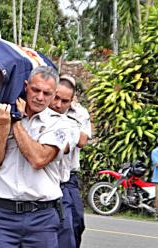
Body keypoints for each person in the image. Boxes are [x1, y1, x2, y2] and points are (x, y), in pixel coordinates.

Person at [0, 66, 71, 247]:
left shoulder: (60, 124)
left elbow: (38, 159)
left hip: (42, 218)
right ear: (25, 86)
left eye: (47, 93)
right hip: (4, 216)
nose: (39, 97)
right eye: (35, 90)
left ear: (54, 95)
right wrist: (3, 125)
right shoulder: (1, 117)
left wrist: (16, 122)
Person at [49, 75, 81, 248]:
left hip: (61, 187)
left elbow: (66, 145)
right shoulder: (26, 119)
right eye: (56, 97)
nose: (58, 105)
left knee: (68, 235)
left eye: (65, 101)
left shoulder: (71, 124)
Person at [63, 75, 91, 247]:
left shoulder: (79, 113)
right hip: (49, 175)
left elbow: (81, 140)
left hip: (70, 176)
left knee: (76, 221)